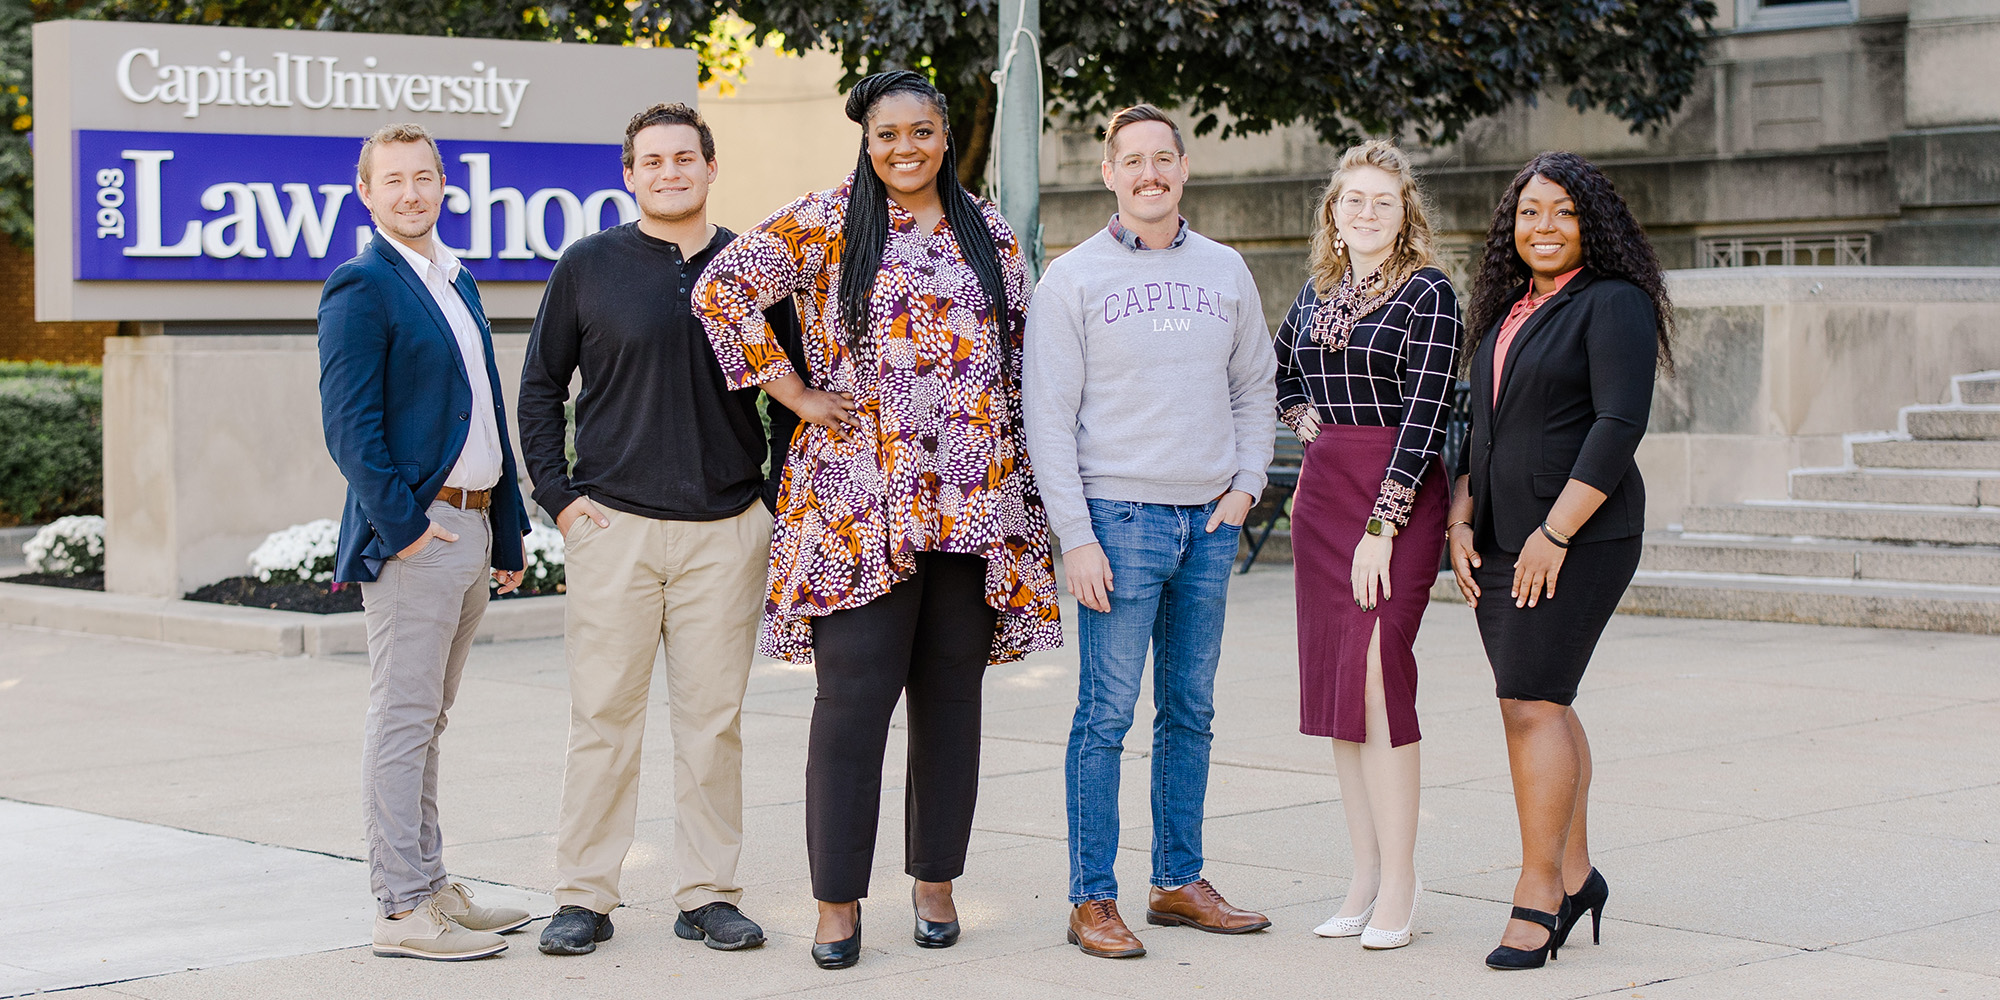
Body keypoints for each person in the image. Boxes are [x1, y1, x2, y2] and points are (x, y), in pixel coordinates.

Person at [694, 69, 1060, 970]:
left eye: (923, 131)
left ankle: (934, 883)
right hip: (857, 506)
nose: (907, 147)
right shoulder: (824, 221)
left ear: (944, 136)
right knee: (851, 706)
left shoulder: (993, 234)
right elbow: (721, 290)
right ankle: (836, 904)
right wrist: (794, 393)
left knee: (951, 703)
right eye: (889, 133)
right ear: (867, 139)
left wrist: (1033, 512)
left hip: (973, 504)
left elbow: (1024, 369)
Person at [519, 103, 803, 957]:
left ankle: (709, 894)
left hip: (726, 528)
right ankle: (584, 896)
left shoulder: (756, 267)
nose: (670, 170)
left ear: (712, 168)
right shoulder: (588, 265)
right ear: (629, 176)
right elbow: (540, 388)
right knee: (603, 718)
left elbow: (795, 387)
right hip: (617, 527)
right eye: (653, 160)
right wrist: (561, 499)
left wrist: (772, 501)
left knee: (713, 724)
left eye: (686, 157)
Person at [1024, 103, 1278, 960]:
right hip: (1119, 521)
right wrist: (1076, 536)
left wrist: (1246, 485)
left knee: (1191, 710)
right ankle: (1092, 897)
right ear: (1109, 174)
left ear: (1183, 168)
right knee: (1105, 714)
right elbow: (1048, 419)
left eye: (1162, 158)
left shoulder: (1226, 270)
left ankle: (1176, 880)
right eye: (1131, 160)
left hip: (1208, 521)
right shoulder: (1072, 278)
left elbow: (1254, 386)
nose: (1148, 174)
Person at [1447, 151, 1670, 970]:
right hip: (1501, 536)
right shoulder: (1508, 310)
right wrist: (1461, 517)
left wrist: (1555, 533)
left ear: (1592, 224)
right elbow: (1484, 425)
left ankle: (1540, 890)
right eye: (1530, 212)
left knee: (1533, 699)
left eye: (1563, 212)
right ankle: (1578, 876)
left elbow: (1617, 425)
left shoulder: (1613, 303)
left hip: (1578, 537)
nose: (1544, 227)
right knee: (1534, 703)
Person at [318, 122, 533, 961]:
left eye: (423, 176)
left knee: (428, 721)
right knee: (403, 721)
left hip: (474, 527)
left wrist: (506, 530)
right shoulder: (361, 285)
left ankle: (433, 885)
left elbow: (485, 414)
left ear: (444, 183)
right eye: (392, 180)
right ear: (366, 193)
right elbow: (349, 428)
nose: (410, 192)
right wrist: (406, 531)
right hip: (421, 537)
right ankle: (401, 910)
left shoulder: (456, 280)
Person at [1274, 140, 1459, 952]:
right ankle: (1363, 872)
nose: (1368, 212)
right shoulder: (1315, 295)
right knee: (1341, 699)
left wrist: (1384, 526)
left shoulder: (1430, 296)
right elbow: (1277, 373)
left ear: (1405, 212)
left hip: (1398, 496)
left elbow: (1426, 419)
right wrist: (1303, 420)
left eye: (1384, 200)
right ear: (1333, 213)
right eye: (1354, 200)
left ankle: (1403, 878)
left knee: (1380, 680)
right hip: (1322, 498)